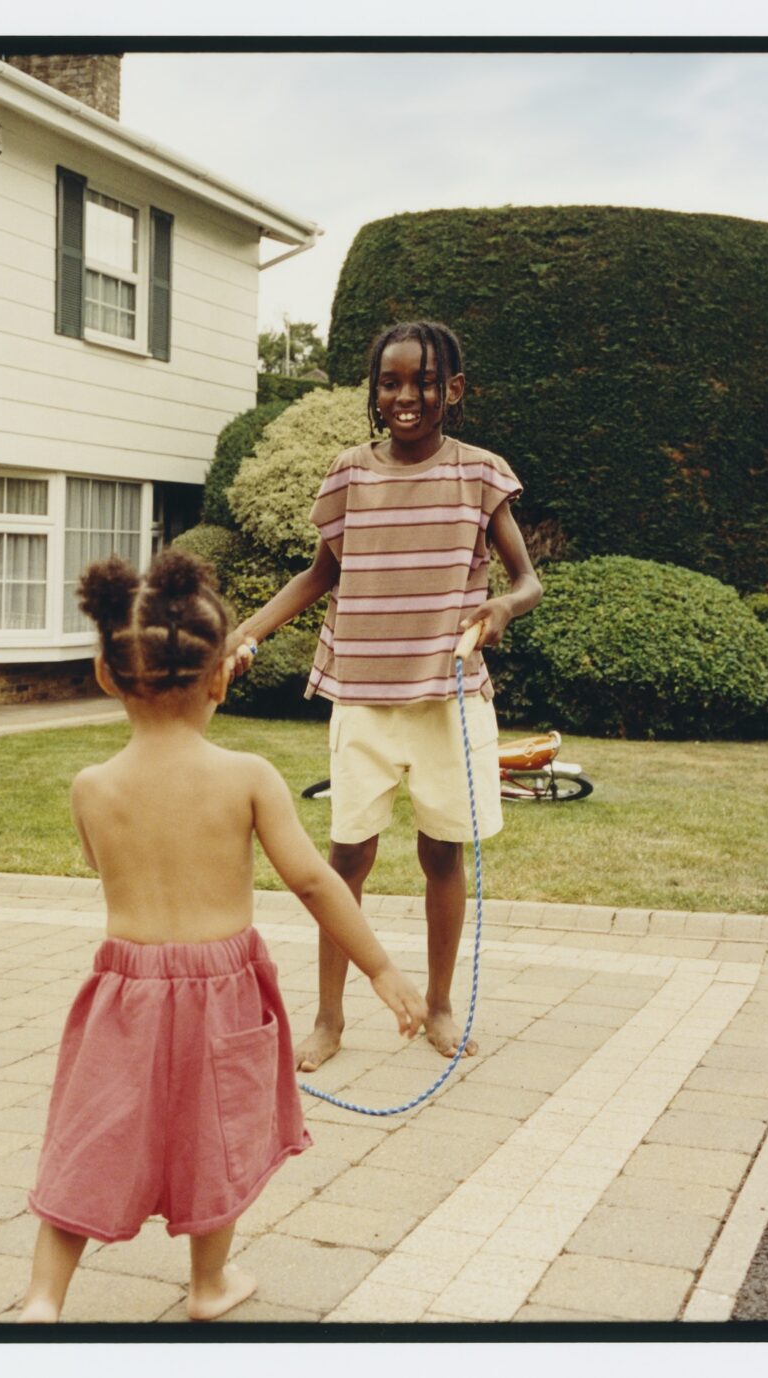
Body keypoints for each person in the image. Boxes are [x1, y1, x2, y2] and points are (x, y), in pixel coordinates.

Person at [19, 549, 429, 1323]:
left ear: (107, 677)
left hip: (124, 993)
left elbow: (100, 861)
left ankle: (43, 1300)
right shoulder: (248, 775)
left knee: (91, 1133)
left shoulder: (92, 787)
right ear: (219, 679)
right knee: (220, 1134)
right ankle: (208, 1285)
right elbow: (315, 880)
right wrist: (380, 969)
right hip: (225, 994)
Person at [228, 320, 542, 1072]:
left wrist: (501, 607)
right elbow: (318, 576)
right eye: (391, 383)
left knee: (442, 854)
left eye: (424, 383)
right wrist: (247, 636)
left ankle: (437, 1004)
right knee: (345, 859)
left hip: (449, 697)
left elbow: (528, 580)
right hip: (361, 696)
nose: (406, 397)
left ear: (453, 391)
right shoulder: (350, 474)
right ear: (375, 392)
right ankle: (329, 1018)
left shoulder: (481, 475)